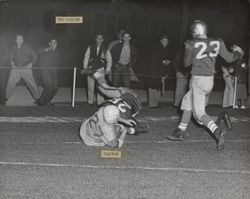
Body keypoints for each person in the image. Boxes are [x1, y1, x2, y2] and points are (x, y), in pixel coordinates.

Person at [166, 20, 244, 151]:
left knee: (199, 115)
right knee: (186, 102)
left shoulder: (192, 43)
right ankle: (180, 131)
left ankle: (217, 131)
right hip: (209, 80)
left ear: (195, 31)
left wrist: (188, 49)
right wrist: (239, 53)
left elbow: (186, 63)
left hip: (198, 80)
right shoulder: (217, 41)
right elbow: (230, 58)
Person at [79, 92, 144, 147]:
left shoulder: (101, 111)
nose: (118, 118)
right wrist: (124, 132)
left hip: (84, 128)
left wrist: (125, 121)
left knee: (113, 126)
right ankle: (130, 131)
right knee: (119, 128)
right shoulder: (108, 129)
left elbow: (111, 116)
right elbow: (116, 145)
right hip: (91, 141)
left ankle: (128, 130)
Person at [6, 34, 40, 102]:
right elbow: (10, 57)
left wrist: (31, 64)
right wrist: (12, 64)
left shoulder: (27, 47)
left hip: (26, 68)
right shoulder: (13, 48)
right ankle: (5, 98)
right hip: (16, 69)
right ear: (15, 40)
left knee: (32, 83)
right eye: (18, 39)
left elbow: (35, 55)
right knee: (10, 82)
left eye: (21, 39)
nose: (19, 40)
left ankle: (38, 98)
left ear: (23, 40)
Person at [82, 34, 112, 105]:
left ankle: (100, 102)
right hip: (91, 69)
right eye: (98, 38)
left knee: (100, 86)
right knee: (90, 86)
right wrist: (85, 68)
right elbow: (86, 57)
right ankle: (90, 102)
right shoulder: (90, 47)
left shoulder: (105, 48)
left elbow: (109, 59)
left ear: (103, 40)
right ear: (95, 39)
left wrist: (108, 69)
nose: (99, 40)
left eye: (101, 39)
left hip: (101, 69)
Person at [147, 35, 172, 108]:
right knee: (152, 87)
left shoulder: (168, 49)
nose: (165, 42)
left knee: (158, 87)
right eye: (163, 41)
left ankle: (156, 103)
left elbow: (169, 59)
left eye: (166, 41)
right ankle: (152, 104)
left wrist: (169, 61)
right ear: (161, 41)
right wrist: (164, 61)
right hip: (153, 71)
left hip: (161, 71)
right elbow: (154, 59)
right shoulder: (156, 48)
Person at [37, 39, 60, 106]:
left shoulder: (57, 52)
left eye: (55, 43)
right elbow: (39, 51)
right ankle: (41, 102)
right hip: (45, 71)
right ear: (49, 43)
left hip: (53, 72)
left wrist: (55, 70)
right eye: (53, 42)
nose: (54, 44)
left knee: (55, 88)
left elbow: (58, 62)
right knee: (49, 86)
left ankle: (47, 100)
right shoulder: (45, 49)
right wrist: (49, 48)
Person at [0, 35, 9, 105]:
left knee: (2, 82)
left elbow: (6, 52)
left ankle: (2, 99)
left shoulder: (2, 39)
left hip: (1, 65)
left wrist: (2, 62)